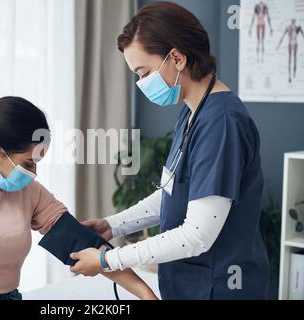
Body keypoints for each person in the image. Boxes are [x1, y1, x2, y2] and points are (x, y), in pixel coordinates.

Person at [70, 1, 270, 300]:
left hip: (218, 287)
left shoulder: (222, 123)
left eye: (144, 72)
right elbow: (171, 194)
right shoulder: (191, 112)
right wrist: (112, 225)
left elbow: (197, 235)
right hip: (189, 284)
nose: (141, 83)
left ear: (176, 57)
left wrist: (107, 260)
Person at [0, 96, 158, 300]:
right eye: (28, 163)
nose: (34, 173)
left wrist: (144, 293)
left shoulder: (28, 192)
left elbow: (82, 242)